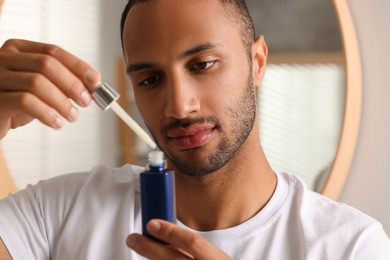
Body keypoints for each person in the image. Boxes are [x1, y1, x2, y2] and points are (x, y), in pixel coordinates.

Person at [0, 0, 389, 259]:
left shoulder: (351, 246)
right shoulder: (58, 214)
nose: (179, 106)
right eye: (150, 79)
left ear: (257, 61)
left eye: (202, 64)